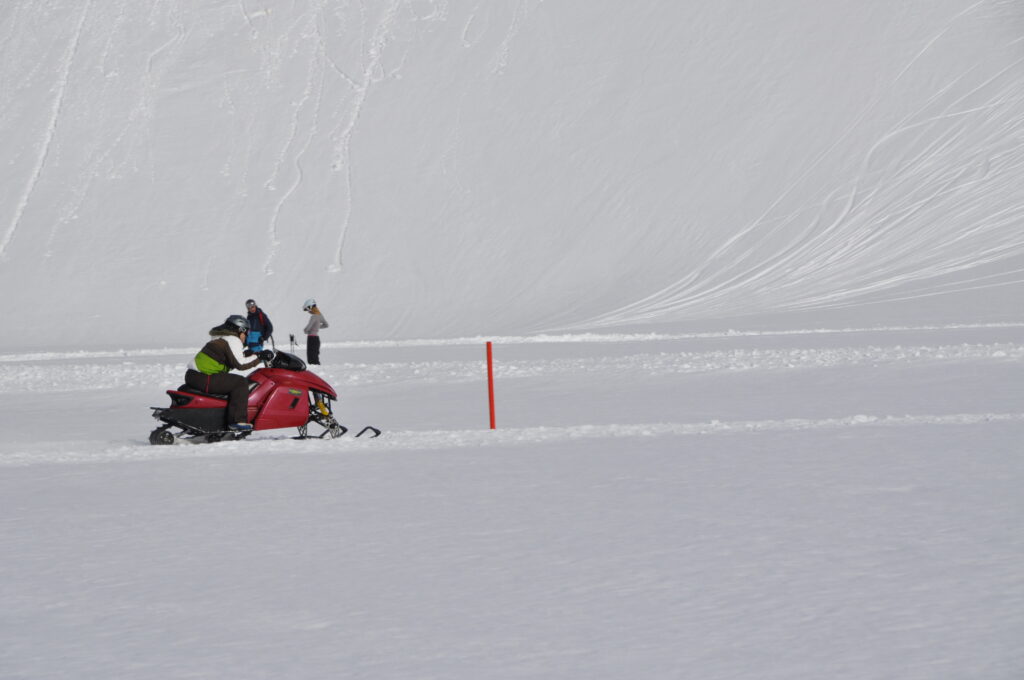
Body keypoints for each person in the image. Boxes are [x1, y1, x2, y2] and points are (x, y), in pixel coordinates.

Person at [184, 315, 272, 431]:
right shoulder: (233, 339)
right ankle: (237, 422)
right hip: (204, 377)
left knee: (231, 381)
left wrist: (248, 354)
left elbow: (230, 358)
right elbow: (240, 364)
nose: (246, 336)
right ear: (241, 330)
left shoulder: (222, 338)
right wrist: (259, 357)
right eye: (246, 333)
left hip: (194, 376)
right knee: (240, 383)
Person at [302, 298, 329, 365]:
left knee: (311, 357)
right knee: (315, 355)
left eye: (308, 309)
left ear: (311, 307)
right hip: (316, 338)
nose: (308, 311)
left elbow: (307, 328)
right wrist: (317, 328)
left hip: (311, 338)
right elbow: (326, 325)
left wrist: (306, 330)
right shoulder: (320, 315)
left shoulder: (313, 317)